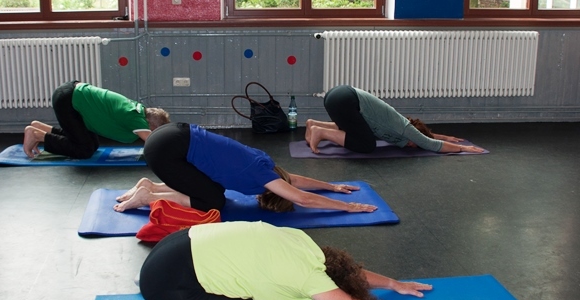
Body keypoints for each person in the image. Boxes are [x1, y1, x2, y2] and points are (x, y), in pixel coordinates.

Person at [123, 221, 462, 300]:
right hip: (168, 284)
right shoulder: (308, 279)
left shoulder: (304, 246)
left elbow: (347, 274)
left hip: (171, 251)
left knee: (248, 282)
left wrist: (392, 283)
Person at [113, 122, 378, 214]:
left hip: (173, 134)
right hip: (165, 151)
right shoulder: (262, 176)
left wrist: (331, 186)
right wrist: (348, 207)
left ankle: (150, 185)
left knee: (209, 186)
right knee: (213, 201)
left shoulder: (265, 163)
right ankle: (148, 197)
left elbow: (294, 180)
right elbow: (302, 198)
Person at [306, 84, 486, 155]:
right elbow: (431, 144)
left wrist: (445, 137)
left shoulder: (397, 127)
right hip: (345, 100)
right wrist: (464, 148)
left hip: (338, 96)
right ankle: (320, 132)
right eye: (416, 142)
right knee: (366, 145)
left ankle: (314, 124)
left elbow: (427, 137)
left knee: (360, 131)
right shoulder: (404, 128)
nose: (414, 145)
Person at [22, 81, 170, 159]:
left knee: (91, 144)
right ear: (151, 125)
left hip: (71, 96)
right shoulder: (136, 119)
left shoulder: (137, 110)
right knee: (84, 149)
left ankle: (41, 129)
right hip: (68, 100)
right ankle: (36, 135)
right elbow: (154, 142)